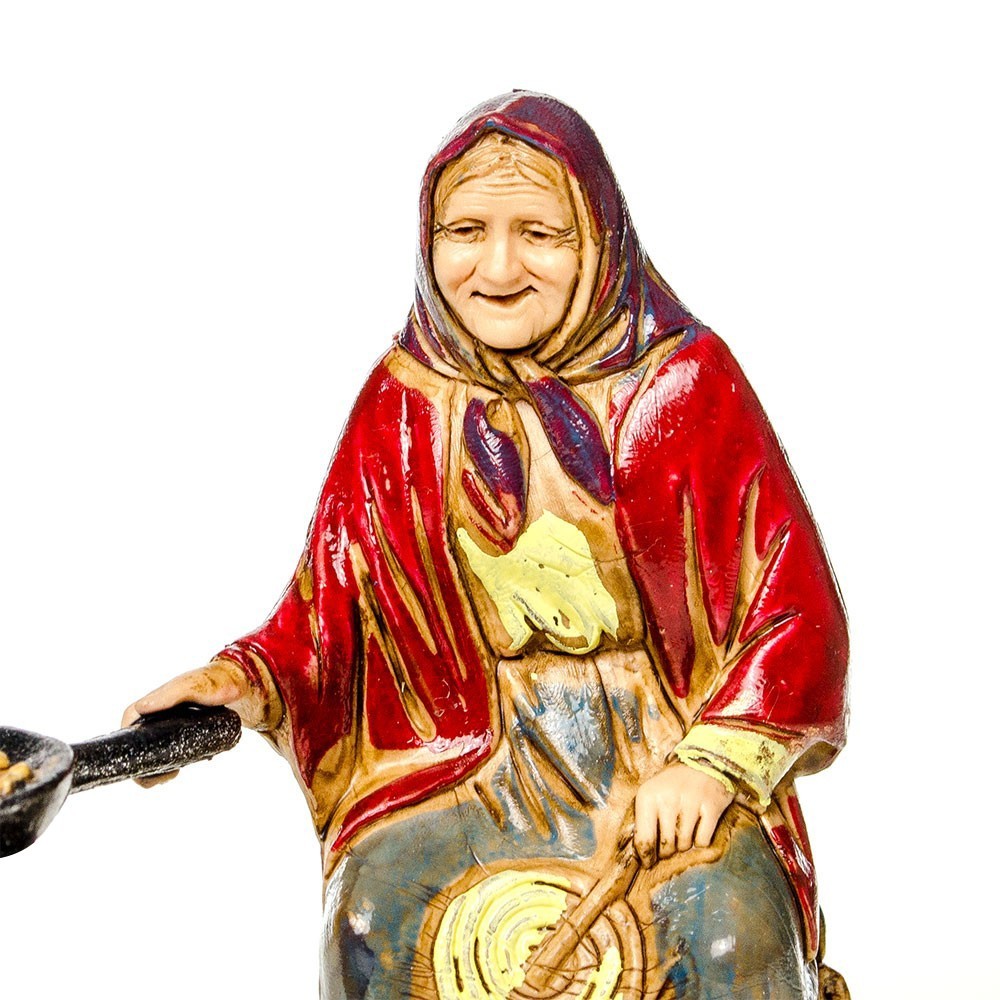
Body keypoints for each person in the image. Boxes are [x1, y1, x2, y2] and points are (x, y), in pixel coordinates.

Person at [124, 92, 849, 1000]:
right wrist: (238, 681)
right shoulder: (403, 402)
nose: (498, 268)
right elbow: (330, 613)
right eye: (466, 231)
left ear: (598, 242)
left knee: (728, 936)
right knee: (372, 918)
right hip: (477, 759)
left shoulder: (683, 386)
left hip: (665, 755)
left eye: (539, 234)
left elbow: (796, 614)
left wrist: (710, 764)